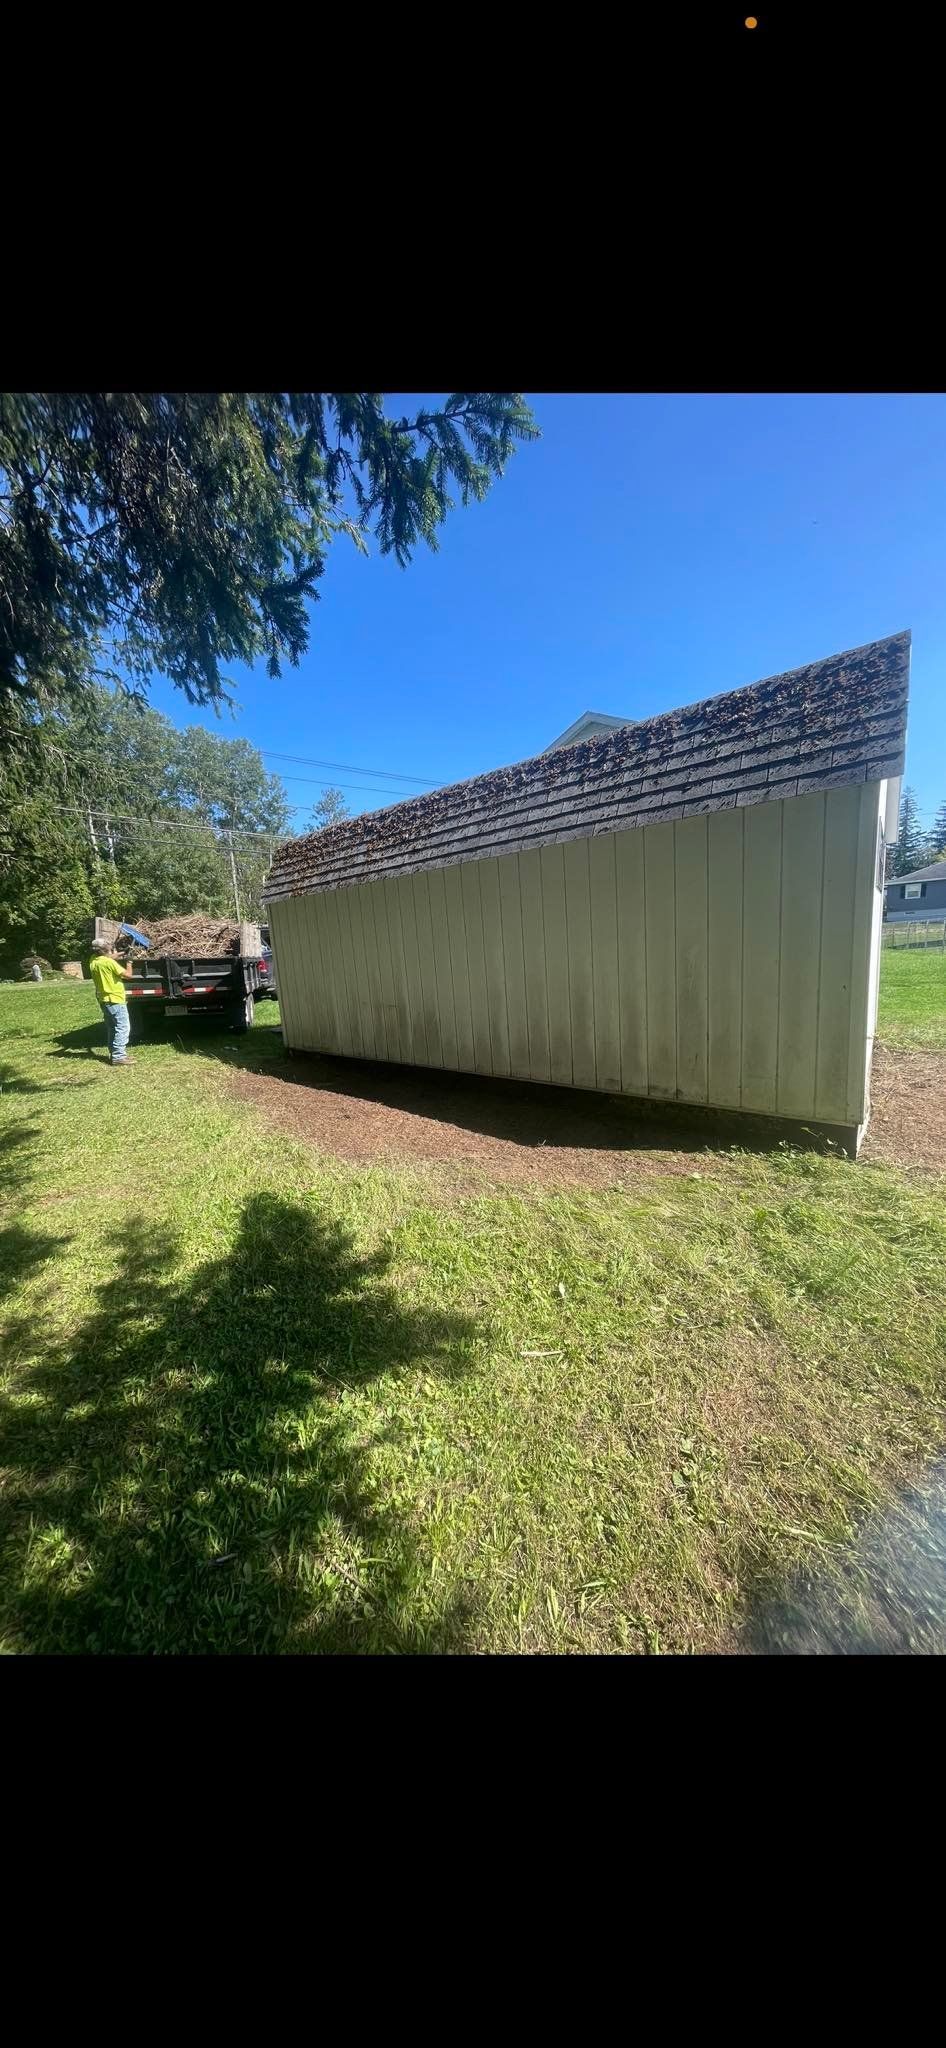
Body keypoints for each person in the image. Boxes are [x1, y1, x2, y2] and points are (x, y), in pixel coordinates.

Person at [88, 940, 134, 1065]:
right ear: (105, 950)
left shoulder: (93, 960)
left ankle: (114, 1053)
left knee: (112, 1028)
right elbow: (129, 975)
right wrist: (129, 962)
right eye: (110, 948)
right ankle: (119, 1057)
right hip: (114, 999)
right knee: (123, 1027)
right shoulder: (109, 963)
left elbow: (109, 957)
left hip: (103, 999)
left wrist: (122, 953)